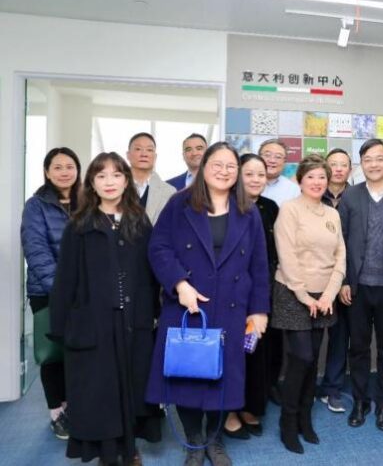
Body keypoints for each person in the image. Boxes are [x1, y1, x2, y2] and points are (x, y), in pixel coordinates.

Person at [146, 142, 270, 466]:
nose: (224, 171)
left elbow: (259, 264)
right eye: (217, 164)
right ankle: (194, 442)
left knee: (223, 377)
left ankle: (214, 441)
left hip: (232, 308)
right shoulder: (180, 203)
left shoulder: (248, 211)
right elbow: (158, 247)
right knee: (187, 376)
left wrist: (259, 310)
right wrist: (179, 284)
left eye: (231, 166)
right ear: (204, 167)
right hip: (189, 305)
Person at [49, 152, 161, 465]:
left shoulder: (140, 221)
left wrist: (154, 313)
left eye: (116, 175)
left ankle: (130, 447)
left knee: (133, 385)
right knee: (101, 390)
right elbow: (65, 280)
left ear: (126, 181)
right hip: (94, 323)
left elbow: (151, 274)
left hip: (135, 321)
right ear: (92, 183)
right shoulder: (79, 226)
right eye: (101, 176)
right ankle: (107, 453)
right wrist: (62, 327)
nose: (109, 182)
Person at [271, 154, 346, 454]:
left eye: (322, 177)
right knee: (301, 357)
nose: (317, 182)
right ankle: (288, 422)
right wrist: (304, 295)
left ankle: (305, 418)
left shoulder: (332, 214)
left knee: (313, 359)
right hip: (293, 293)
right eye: (311, 176)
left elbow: (340, 257)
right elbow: (287, 256)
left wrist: (329, 294)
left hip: (324, 296)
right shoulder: (289, 210)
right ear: (300, 180)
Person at [339, 139, 383, 431]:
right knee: (358, 346)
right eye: (368, 159)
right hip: (357, 286)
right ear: (361, 163)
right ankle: (360, 401)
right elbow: (340, 242)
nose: (374, 164)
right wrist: (344, 280)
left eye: (379, 158)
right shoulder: (350, 196)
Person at [21, 147, 81, 440]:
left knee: (78, 350)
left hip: (83, 291)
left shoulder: (88, 202)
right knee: (52, 354)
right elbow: (36, 250)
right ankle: (57, 413)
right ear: (47, 172)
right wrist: (62, 289)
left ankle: (76, 408)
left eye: (70, 166)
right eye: (57, 167)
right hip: (47, 291)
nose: (64, 172)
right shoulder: (36, 205)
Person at [221, 153, 279, 439]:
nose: (256, 179)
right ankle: (229, 412)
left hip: (262, 290)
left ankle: (249, 407)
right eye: (249, 174)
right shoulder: (226, 206)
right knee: (232, 355)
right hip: (231, 292)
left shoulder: (270, 207)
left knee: (256, 353)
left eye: (261, 174)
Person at [318, 148, 352, 413]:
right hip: (316, 278)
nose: (338, 169)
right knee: (311, 338)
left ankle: (332, 388)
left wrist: (345, 280)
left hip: (347, 279)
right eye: (333, 164)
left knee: (341, 336)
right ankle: (305, 389)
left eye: (343, 164)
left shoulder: (358, 196)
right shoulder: (314, 194)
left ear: (351, 169)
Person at [125, 132, 176, 224]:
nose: (144, 154)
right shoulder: (115, 186)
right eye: (138, 149)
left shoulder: (169, 192)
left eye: (149, 150)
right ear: (128, 155)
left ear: (155, 157)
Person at [259, 139, 300, 207]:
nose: (272, 160)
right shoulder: (246, 184)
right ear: (258, 158)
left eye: (278, 157)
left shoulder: (293, 190)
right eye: (267, 155)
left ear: (284, 162)